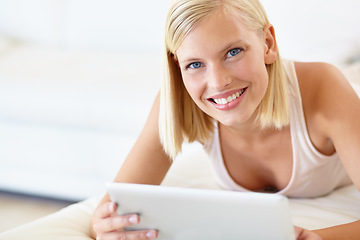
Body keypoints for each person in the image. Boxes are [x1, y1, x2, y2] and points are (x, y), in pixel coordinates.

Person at [90, 0, 360, 239]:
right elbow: (109, 212)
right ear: (178, 68)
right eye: (195, 64)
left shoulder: (325, 88)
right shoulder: (178, 101)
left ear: (268, 44)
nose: (218, 82)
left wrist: (317, 238)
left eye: (233, 52)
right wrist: (106, 229)